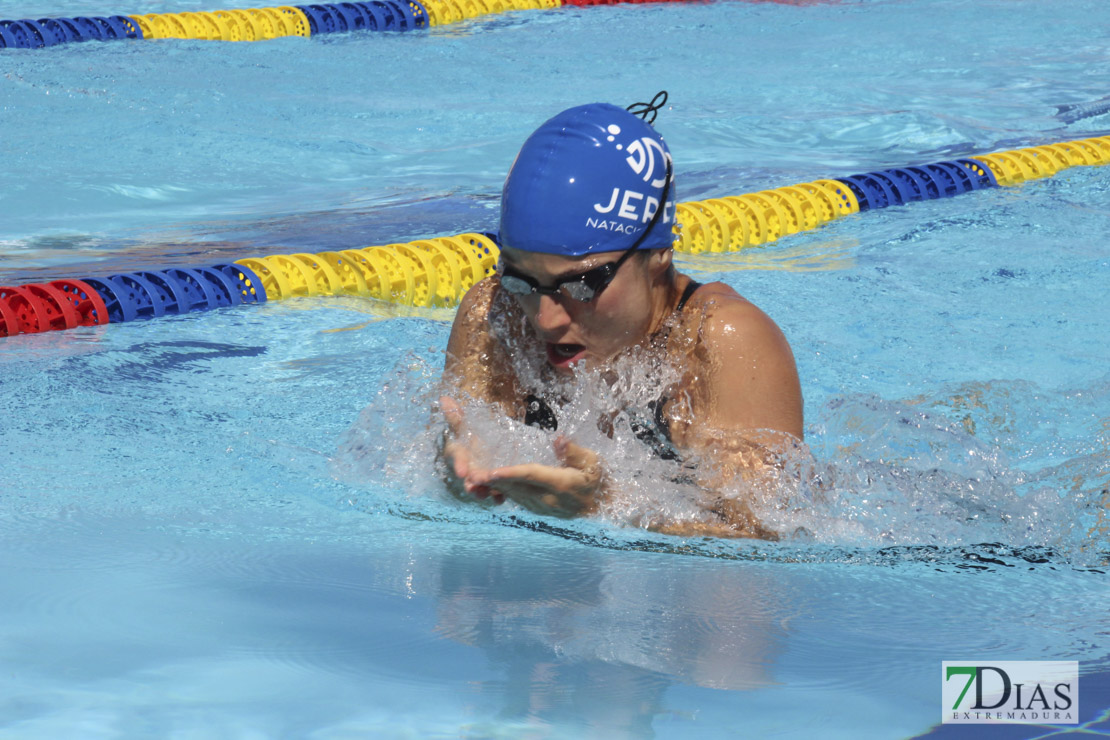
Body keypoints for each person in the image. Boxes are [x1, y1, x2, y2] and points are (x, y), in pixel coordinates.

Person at [437, 96, 804, 539]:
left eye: (582, 284)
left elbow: (760, 545)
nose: (547, 320)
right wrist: (458, 478)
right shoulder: (495, 314)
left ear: (658, 254)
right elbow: (449, 492)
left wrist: (603, 506)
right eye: (521, 279)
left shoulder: (724, 340)